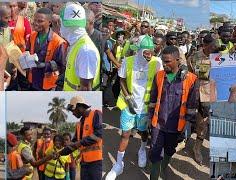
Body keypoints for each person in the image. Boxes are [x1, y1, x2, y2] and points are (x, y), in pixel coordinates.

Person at [106, 35, 163, 180]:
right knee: (125, 134)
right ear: (138, 51)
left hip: (144, 107)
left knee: (143, 132)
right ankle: (118, 165)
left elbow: (160, 82)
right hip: (128, 105)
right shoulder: (128, 61)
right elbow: (122, 79)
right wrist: (128, 97)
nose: (149, 55)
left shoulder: (157, 63)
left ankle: (142, 149)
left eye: (151, 52)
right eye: (146, 52)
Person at [148, 45, 199, 179]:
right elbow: (153, 99)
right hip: (158, 124)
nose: (164, 64)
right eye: (163, 61)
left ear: (177, 60)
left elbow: (192, 106)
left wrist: (188, 126)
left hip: (176, 126)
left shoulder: (191, 79)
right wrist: (149, 119)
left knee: (169, 150)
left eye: (168, 61)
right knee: (155, 152)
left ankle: (163, 168)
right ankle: (154, 176)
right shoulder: (159, 76)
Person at [187, 34, 217, 164]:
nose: (215, 48)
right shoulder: (194, 57)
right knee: (187, 120)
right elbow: (190, 76)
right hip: (194, 94)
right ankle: (182, 141)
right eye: (212, 46)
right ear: (205, 45)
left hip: (209, 94)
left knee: (203, 124)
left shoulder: (221, 57)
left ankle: (197, 148)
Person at [59, 95, 103, 180]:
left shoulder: (96, 114)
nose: (73, 113)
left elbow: (99, 134)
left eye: (73, 111)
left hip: (96, 162)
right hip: (84, 163)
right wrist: (60, 153)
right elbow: (73, 145)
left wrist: (80, 142)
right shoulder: (79, 124)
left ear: (79, 107)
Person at [60, 2, 101, 91]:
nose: (60, 27)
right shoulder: (76, 44)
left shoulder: (85, 50)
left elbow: (86, 89)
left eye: (61, 23)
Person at [26, 7, 67, 91]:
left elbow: (61, 66)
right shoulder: (32, 36)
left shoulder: (58, 42)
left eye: (40, 21)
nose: (36, 23)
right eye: (35, 20)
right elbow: (28, 51)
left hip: (48, 85)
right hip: (33, 81)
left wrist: (45, 65)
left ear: (49, 22)